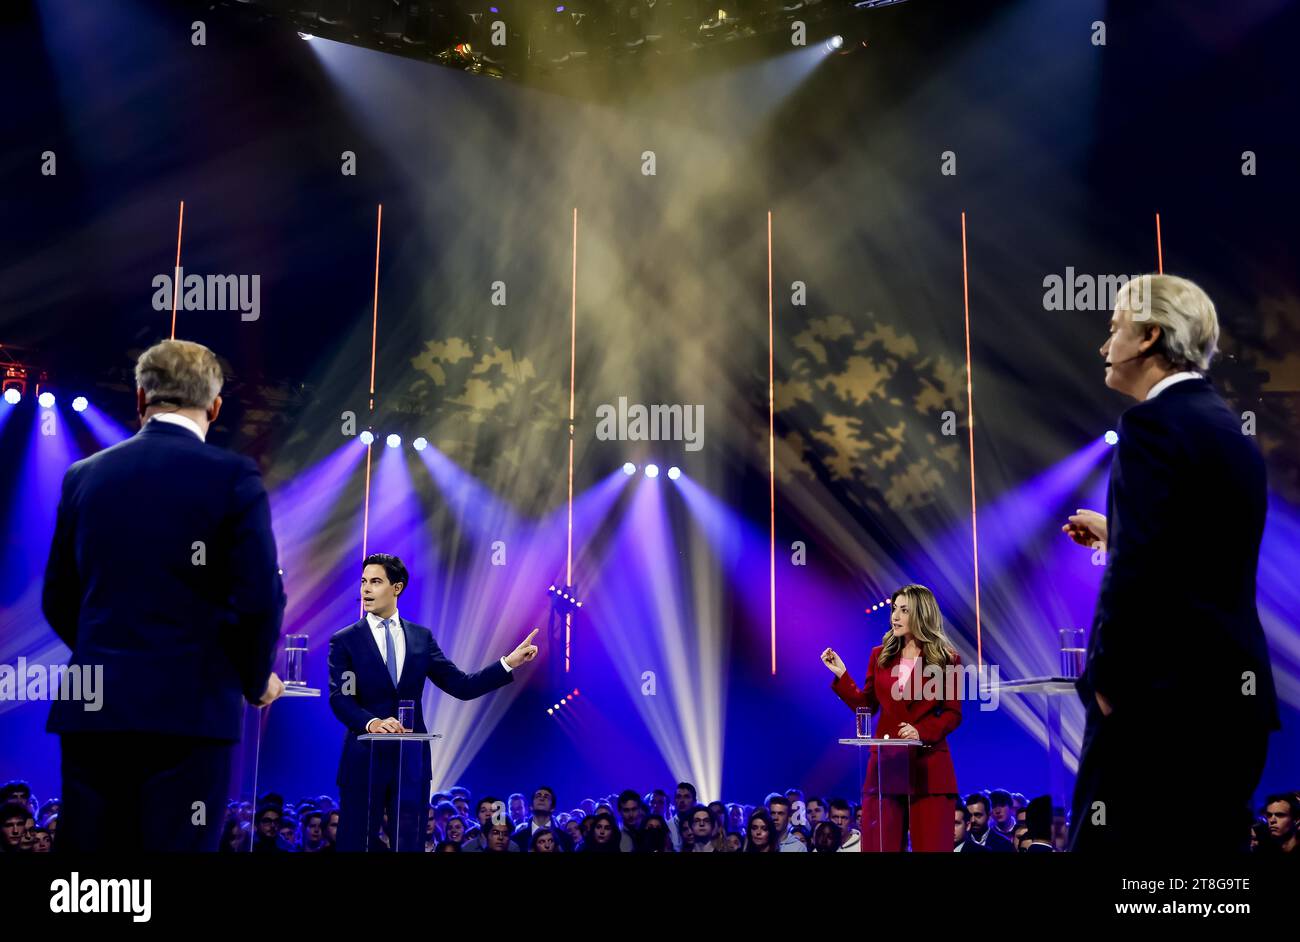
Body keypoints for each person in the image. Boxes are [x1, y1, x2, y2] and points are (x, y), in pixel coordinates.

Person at [42, 339, 286, 852]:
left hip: (95, 712)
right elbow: (259, 598)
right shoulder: (231, 476)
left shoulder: (82, 476)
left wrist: (104, 657)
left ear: (140, 398)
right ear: (215, 407)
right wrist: (252, 677)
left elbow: (58, 598)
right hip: (189, 716)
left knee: (92, 884)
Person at [1063, 275, 1279, 853]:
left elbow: (1138, 579)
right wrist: (1124, 532)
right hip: (1232, 708)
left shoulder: (1150, 424)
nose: (1104, 345)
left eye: (1114, 328)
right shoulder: (1229, 428)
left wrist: (1106, 685)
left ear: (1149, 336)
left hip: (1157, 709)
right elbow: (1208, 552)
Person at [822, 584, 963, 852]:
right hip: (886, 767)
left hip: (929, 769)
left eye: (904, 610)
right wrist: (842, 676)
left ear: (922, 614)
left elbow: (953, 714)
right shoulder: (880, 655)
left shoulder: (948, 659)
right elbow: (867, 705)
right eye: (894, 609)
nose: (895, 616)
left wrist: (921, 731)